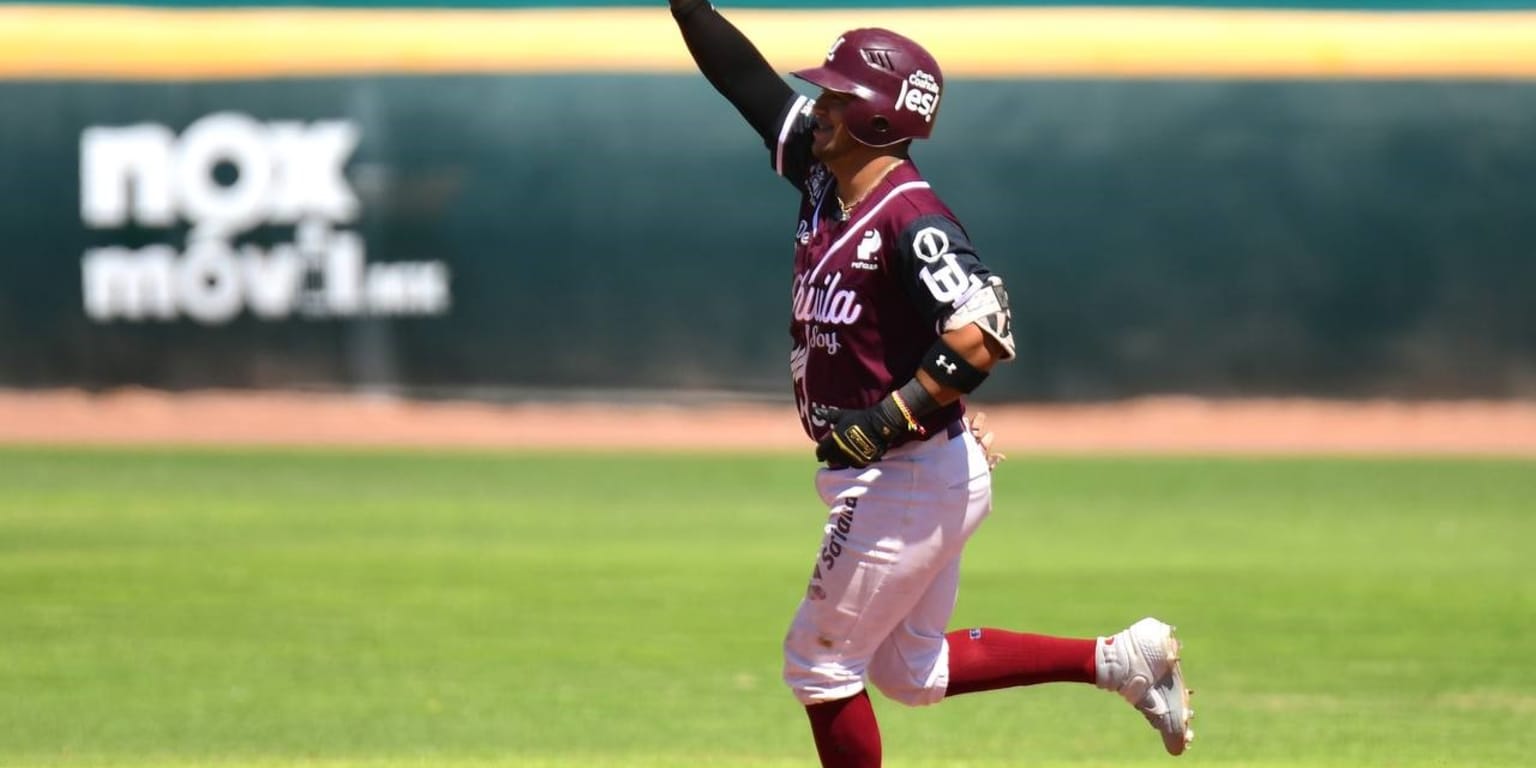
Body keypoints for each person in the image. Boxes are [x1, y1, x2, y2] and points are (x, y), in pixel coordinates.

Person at [667, 3, 1194, 765]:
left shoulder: (912, 218)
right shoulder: (824, 180)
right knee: (911, 672)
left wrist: (887, 419)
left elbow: (982, 333)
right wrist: (690, 8)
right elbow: (744, 80)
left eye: (838, 99)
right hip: (915, 470)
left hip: (903, 474)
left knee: (818, 666)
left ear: (877, 120)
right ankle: (1119, 661)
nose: (818, 106)